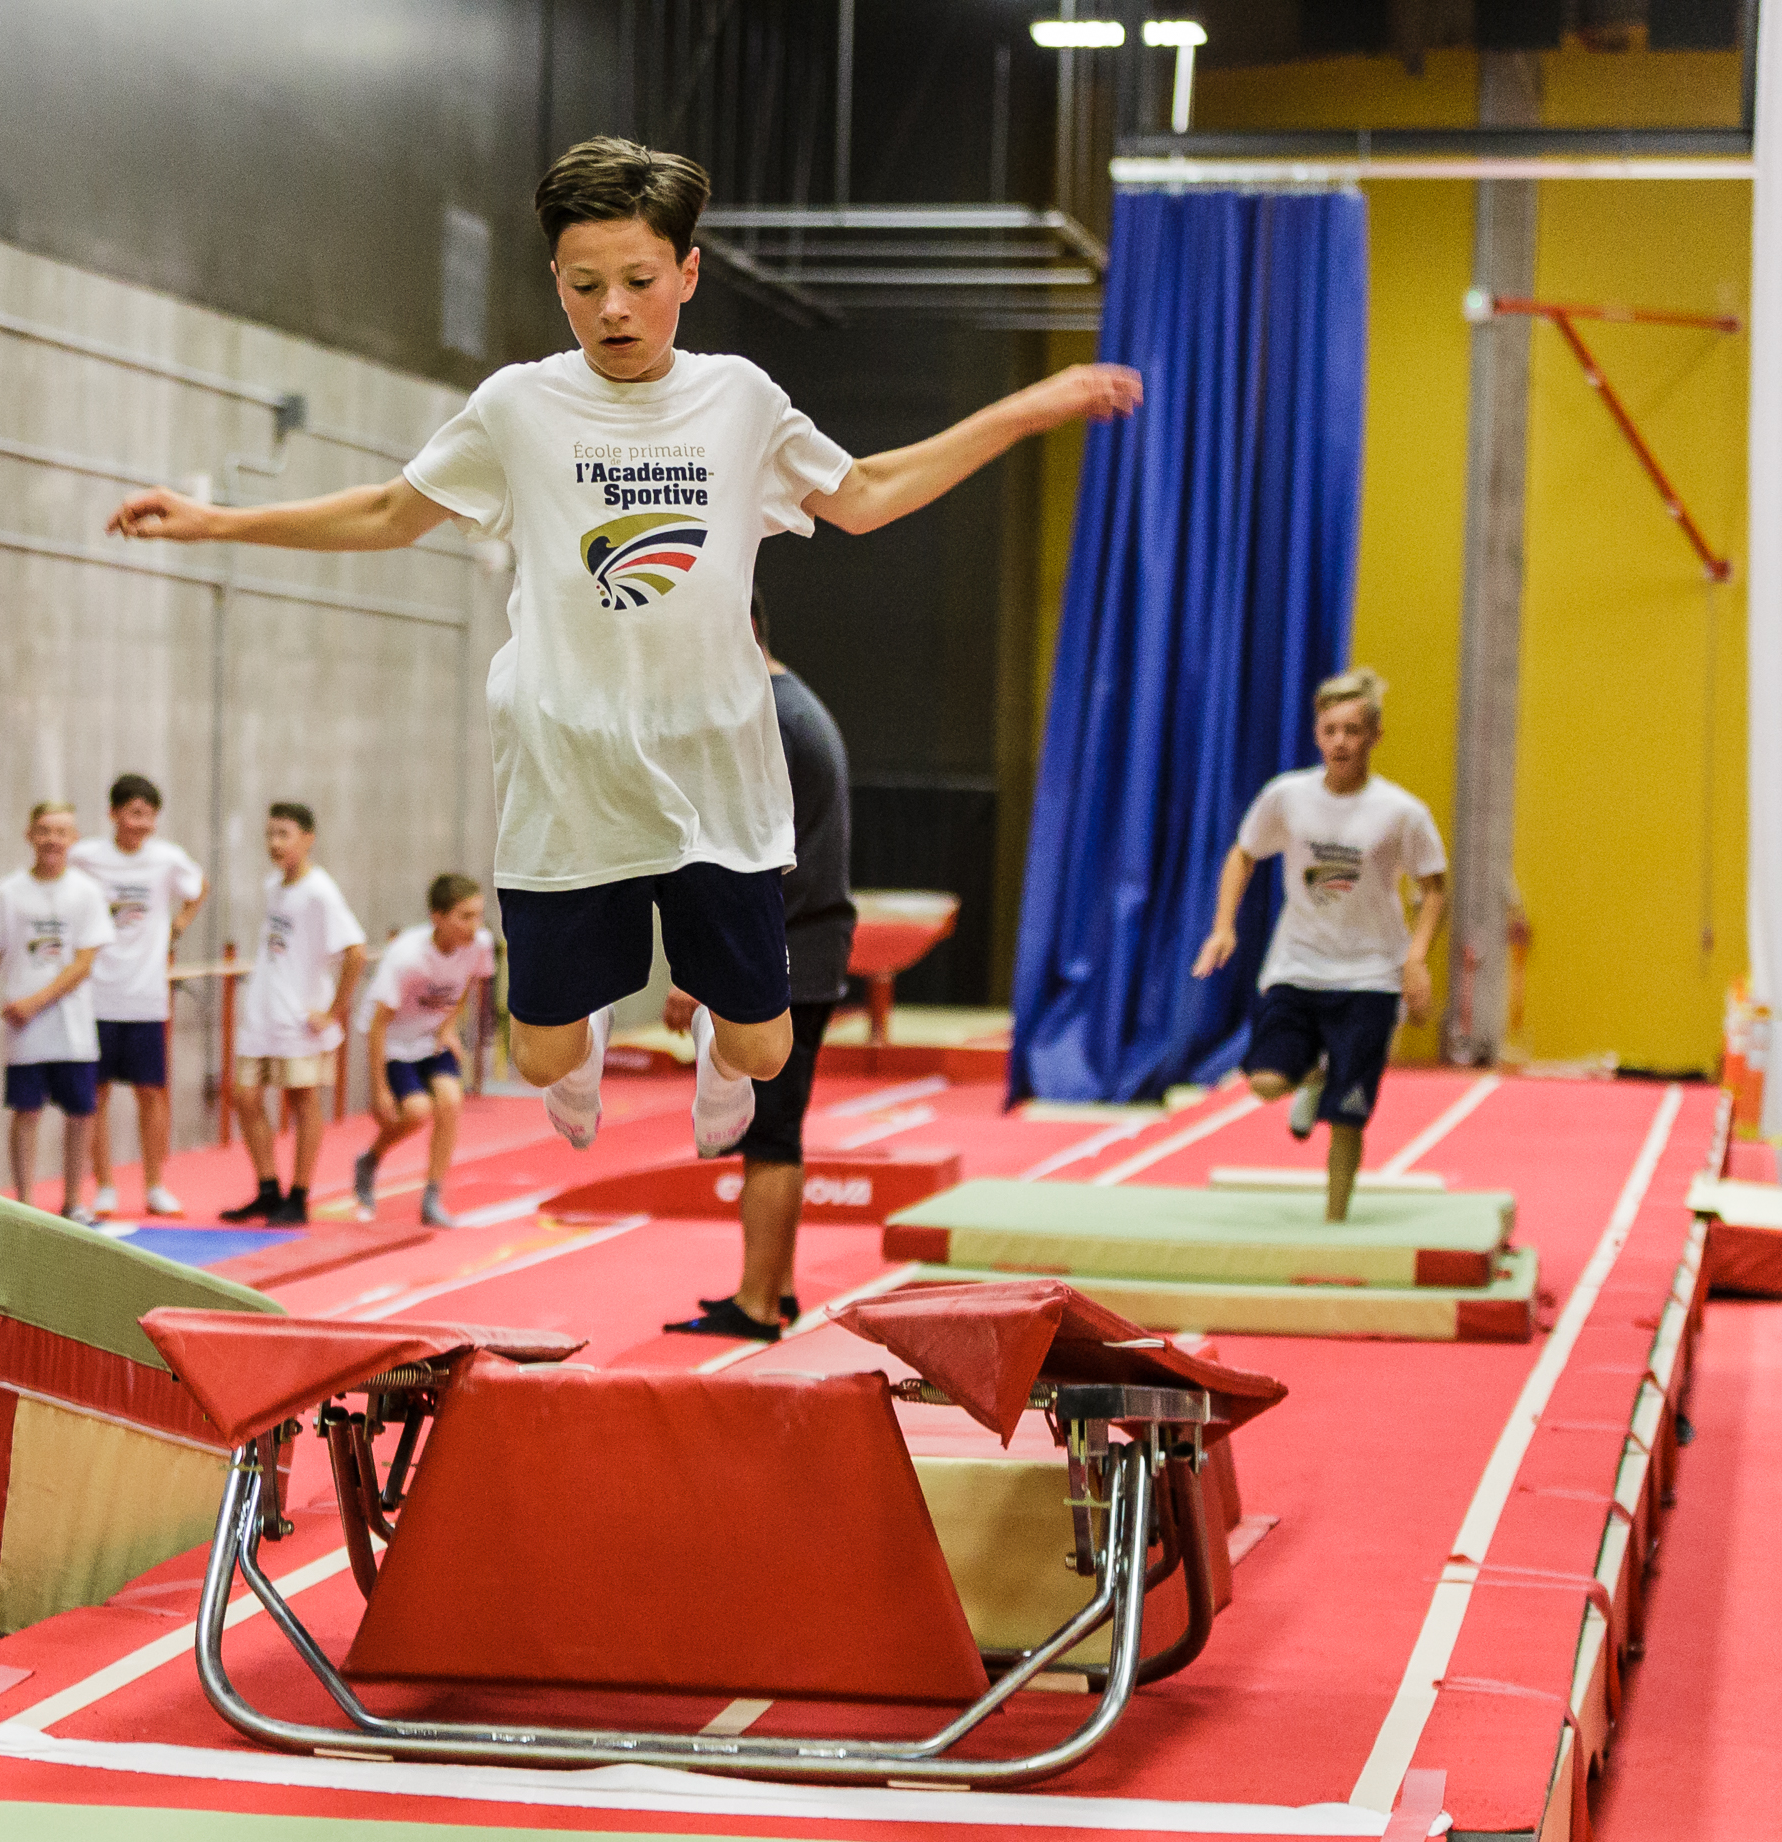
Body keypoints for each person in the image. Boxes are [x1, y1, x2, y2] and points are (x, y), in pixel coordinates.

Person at [107, 138, 1137, 1161]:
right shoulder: (518, 406)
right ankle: (590, 1030)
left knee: (766, 1049)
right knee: (545, 1059)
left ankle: (717, 1058)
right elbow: (387, 512)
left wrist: (1031, 407)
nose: (613, 310)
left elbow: (863, 496)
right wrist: (213, 521)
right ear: (555, 280)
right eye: (586, 285)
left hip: (709, 766)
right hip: (569, 769)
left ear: (687, 275)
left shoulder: (739, 400)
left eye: (640, 282)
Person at [1191, 667, 1447, 1222]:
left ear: (1374, 736)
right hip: (1297, 966)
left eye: (1353, 731)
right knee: (1263, 1083)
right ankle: (1315, 1076)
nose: (1340, 742)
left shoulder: (1402, 812)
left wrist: (1416, 957)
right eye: (1330, 730)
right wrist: (1223, 925)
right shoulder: (1288, 796)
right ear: (1316, 734)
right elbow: (1244, 852)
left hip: (1370, 976)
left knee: (1349, 1115)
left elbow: (1434, 887)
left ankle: (1334, 1223)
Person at [669, 589, 851, 1342]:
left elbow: (753, 861)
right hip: (803, 943)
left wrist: (701, 970)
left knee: (769, 1134)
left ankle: (755, 1303)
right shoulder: (789, 703)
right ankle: (772, 1289)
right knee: (777, 1132)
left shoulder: (769, 717)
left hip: (791, 949)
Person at [0, 804, 116, 1223]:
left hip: (72, 1025)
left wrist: (36, 1002)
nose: (52, 839)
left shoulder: (87, 893)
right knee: (27, 1111)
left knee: (80, 1112)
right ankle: (25, 1201)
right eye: (44, 830)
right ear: (29, 835)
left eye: (61, 831)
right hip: (23, 1028)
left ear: (74, 838)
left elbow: (83, 963)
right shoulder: (10, 892)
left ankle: (74, 1200)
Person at [220, 803, 367, 1230]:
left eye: (284, 834)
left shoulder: (319, 891)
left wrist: (333, 1010)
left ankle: (299, 1195)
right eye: (269, 834)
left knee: (302, 1101)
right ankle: (268, 1188)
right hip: (263, 1013)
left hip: (298, 1018)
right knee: (245, 1097)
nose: (274, 843)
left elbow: (355, 951)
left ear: (307, 838)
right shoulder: (275, 887)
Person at [69, 774, 208, 1217]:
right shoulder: (87, 857)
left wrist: (179, 925)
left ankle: (154, 1184)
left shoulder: (167, 859)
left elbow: (198, 886)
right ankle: (105, 1184)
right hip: (98, 994)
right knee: (99, 1093)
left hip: (146, 994)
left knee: (152, 1093)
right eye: (133, 814)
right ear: (113, 815)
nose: (141, 824)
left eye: (148, 816)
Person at [350, 875, 494, 1230]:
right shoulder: (406, 958)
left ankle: (432, 1198)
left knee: (450, 1101)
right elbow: (378, 1024)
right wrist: (379, 1089)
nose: (474, 926)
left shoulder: (480, 944)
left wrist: (447, 1026)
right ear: (438, 917)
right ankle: (369, 1160)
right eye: (464, 917)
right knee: (416, 1112)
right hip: (395, 1043)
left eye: (478, 915)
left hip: (430, 1039)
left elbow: (470, 981)